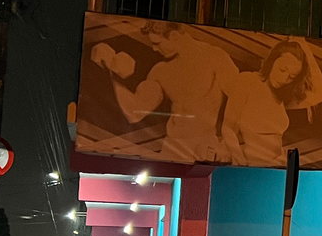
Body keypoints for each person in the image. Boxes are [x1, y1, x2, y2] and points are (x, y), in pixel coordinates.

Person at [91, 20, 239, 163]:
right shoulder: (161, 71)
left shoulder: (214, 57)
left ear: (174, 36)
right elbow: (134, 112)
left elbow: (240, 99)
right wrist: (111, 70)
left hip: (204, 145)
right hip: (172, 146)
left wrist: (227, 144)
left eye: (157, 43)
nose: (154, 49)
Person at [220, 39, 322, 166]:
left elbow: (321, 93)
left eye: (292, 77)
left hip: (279, 164)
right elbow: (228, 128)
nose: (284, 79)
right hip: (255, 165)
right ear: (273, 60)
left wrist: (301, 43)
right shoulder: (248, 81)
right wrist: (240, 161)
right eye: (282, 69)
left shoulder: (282, 96)